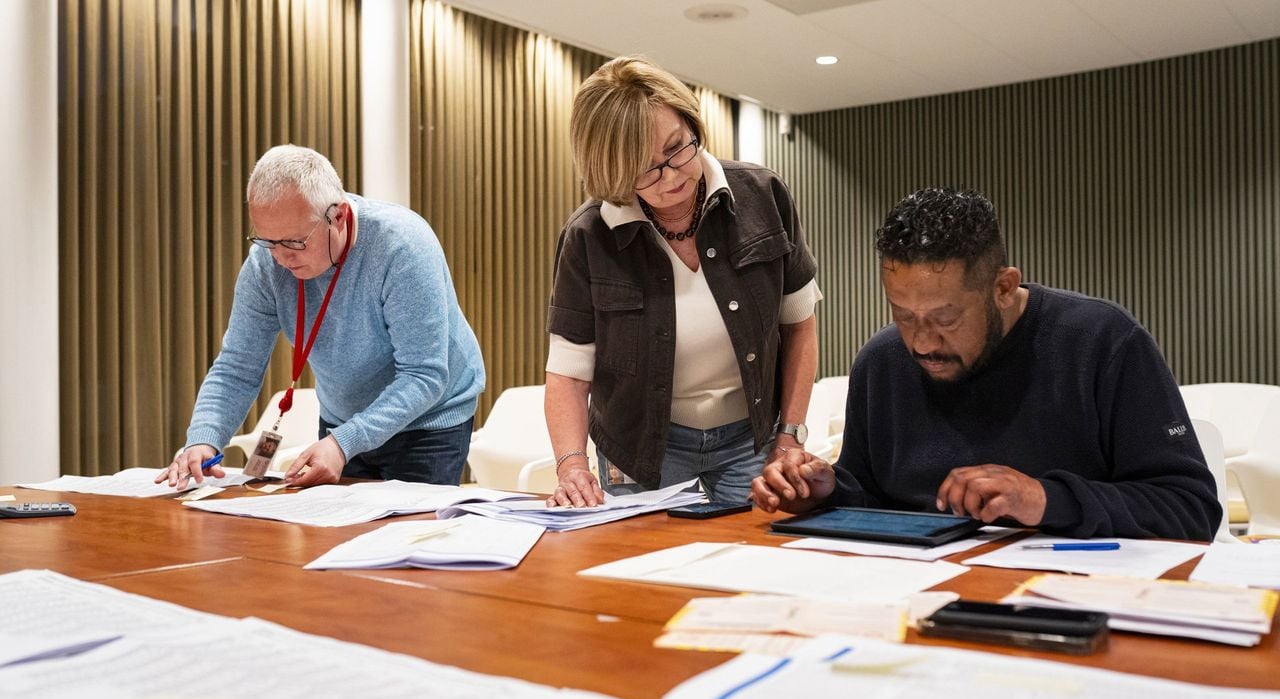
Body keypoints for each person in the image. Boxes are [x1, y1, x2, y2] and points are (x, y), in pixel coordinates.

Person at [752, 187, 1220, 540]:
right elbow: (871, 494)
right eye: (902, 315)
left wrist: (1045, 499)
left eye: (945, 318)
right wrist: (826, 490)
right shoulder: (882, 360)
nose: (921, 342)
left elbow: (1190, 509)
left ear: (1002, 287)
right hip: (915, 595)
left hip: (1064, 595)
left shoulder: (1102, 341)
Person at [545, 56, 821, 508]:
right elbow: (569, 371)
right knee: (642, 568)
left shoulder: (762, 195)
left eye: (677, 148)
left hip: (751, 440)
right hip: (640, 445)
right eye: (644, 168)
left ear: (692, 124)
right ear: (610, 170)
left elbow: (800, 326)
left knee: (751, 561)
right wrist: (572, 465)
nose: (671, 176)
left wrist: (790, 435)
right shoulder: (589, 235)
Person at [157, 145, 485, 490]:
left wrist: (344, 442)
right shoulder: (265, 263)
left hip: (428, 420)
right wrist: (204, 437)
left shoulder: (402, 247)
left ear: (338, 216)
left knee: (406, 538)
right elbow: (237, 366)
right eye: (268, 241)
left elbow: (424, 374)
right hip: (342, 420)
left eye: (295, 242)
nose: (281, 258)